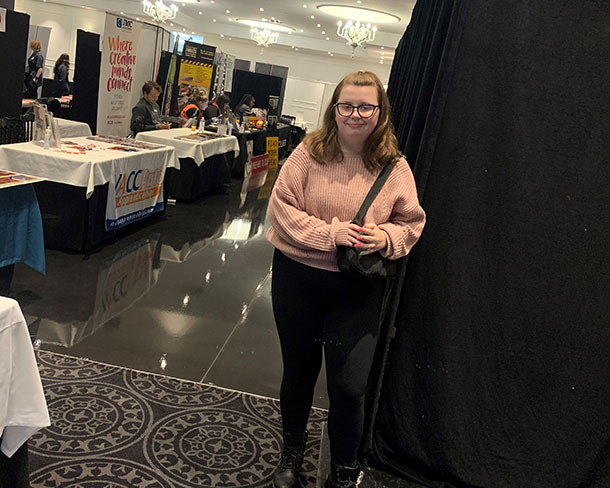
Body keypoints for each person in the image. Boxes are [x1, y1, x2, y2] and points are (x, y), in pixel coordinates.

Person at [266, 70, 426, 488]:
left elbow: (412, 222)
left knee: (349, 387)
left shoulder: (395, 167)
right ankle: (292, 453)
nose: (355, 114)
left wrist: (386, 236)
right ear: (334, 108)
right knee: (298, 373)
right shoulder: (308, 152)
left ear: (380, 112)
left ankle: (343, 469)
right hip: (296, 281)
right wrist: (330, 234)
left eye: (366, 106)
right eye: (347, 105)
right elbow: (281, 209)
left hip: (355, 290)